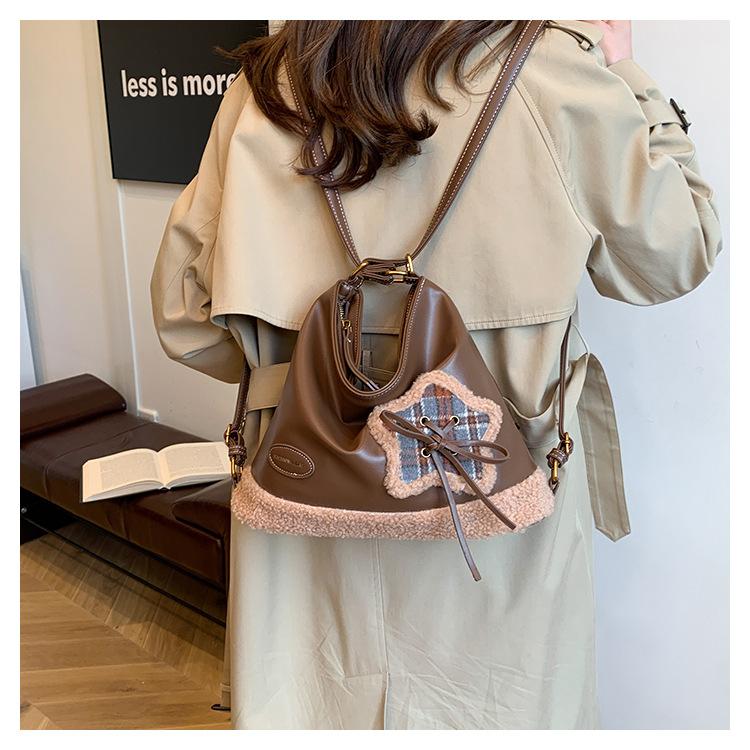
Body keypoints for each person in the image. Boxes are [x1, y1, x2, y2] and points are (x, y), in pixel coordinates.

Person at [150, 20, 722, 729]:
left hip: (302, 505)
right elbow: (673, 258)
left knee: (310, 706)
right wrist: (627, 73)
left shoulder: (268, 86)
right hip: (499, 503)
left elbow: (184, 319)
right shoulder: (551, 67)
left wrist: (310, 383)